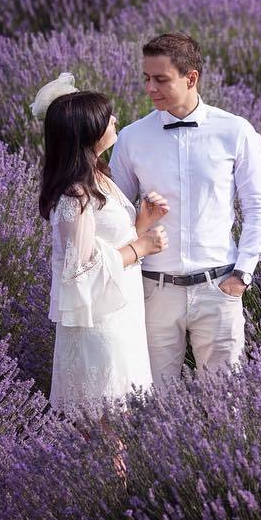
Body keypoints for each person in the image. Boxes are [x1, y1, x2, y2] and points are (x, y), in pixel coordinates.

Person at [109, 33, 261, 385]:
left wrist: (242, 275)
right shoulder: (131, 138)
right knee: (150, 404)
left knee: (226, 405)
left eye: (161, 79)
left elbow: (260, 208)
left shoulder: (236, 132)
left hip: (218, 289)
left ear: (191, 78)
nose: (150, 88)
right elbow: (115, 216)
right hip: (153, 292)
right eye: (146, 78)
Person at [35, 73, 169, 429]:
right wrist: (142, 247)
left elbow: (105, 245)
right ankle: (110, 486)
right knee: (105, 423)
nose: (114, 120)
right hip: (100, 321)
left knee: (116, 419)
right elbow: (79, 272)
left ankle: (112, 484)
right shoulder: (74, 194)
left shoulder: (98, 175)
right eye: (105, 118)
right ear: (86, 132)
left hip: (120, 312)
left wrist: (141, 222)